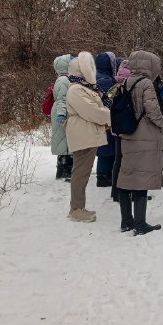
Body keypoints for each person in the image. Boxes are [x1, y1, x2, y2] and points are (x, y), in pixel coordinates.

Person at [117, 50, 163, 235]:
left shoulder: (125, 81)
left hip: (128, 134)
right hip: (144, 136)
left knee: (128, 176)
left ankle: (126, 221)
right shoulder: (146, 83)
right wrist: (162, 123)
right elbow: (152, 109)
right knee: (142, 179)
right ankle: (140, 224)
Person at [65, 52, 110, 222]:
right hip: (83, 135)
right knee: (81, 173)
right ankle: (76, 209)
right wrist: (108, 114)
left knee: (82, 172)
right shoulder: (76, 90)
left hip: (87, 134)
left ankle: (78, 207)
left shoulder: (84, 88)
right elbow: (93, 112)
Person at [95, 51, 118, 187]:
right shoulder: (106, 80)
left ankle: (104, 175)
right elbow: (110, 99)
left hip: (100, 117)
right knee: (107, 146)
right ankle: (103, 176)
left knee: (104, 146)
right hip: (107, 117)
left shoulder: (96, 76)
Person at [50, 54, 74, 180]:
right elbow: (61, 99)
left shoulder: (65, 79)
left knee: (65, 141)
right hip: (63, 113)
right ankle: (65, 171)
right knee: (64, 143)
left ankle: (64, 170)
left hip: (64, 112)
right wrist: (61, 114)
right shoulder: (63, 80)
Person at [111, 59, 130, 203]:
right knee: (127, 160)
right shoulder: (129, 83)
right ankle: (126, 192)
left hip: (116, 127)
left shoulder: (115, 84)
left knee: (118, 159)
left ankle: (116, 191)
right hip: (127, 127)